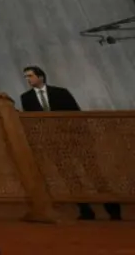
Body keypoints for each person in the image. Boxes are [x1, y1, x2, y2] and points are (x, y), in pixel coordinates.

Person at [19, 66, 121, 221]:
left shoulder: (60, 92)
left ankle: (113, 210)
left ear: (41, 77)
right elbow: (32, 123)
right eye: (26, 77)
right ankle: (86, 211)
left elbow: (76, 114)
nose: (28, 79)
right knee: (70, 177)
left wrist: (81, 137)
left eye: (30, 76)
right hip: (52, 143)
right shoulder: (26, 97)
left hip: (73, 139)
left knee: (93, 173)